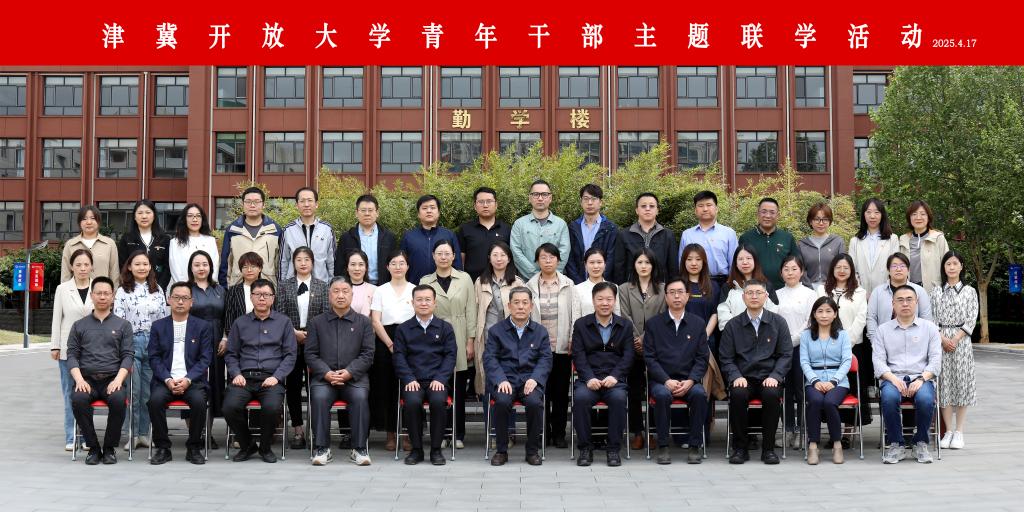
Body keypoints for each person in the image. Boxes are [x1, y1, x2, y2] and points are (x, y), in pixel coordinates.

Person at [223, 279, 298, 463]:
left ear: (273, 298)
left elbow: (290, 355)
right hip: (244, 378)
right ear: (251, 297)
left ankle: (265, 448)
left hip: (271, 379)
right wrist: (236, 373)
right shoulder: (240, 323)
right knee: (229, 407)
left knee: (271, 408)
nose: (262, 298)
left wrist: (277, 377)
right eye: (257, 294)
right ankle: (248, 445)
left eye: (266, 295)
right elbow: (231, 354)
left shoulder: (284, 322)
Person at [719, 279, 792, 465]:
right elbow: (726, 358)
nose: (754, 296)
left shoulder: (778, 323)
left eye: (758, 293)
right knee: (737, 394)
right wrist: (736, 376)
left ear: (766, 296)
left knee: (771, 395)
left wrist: (775, 376)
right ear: (743, 297)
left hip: (769, 377)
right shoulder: (733, 325)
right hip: (743, 377)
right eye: (749, 293)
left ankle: (768, 449)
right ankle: (740, 448)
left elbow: (786, 354)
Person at [305, 276, 376, 466]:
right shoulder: (317, 322)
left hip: (354, 379)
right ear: (329, 295)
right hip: (324, 378)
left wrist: (349, 372)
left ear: (352, 295)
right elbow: (310, 354)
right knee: (319, 397)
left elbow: (368, 354)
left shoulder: (363, 322)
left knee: (360, 398)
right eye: (336, 291)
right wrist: (326, 373)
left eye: (345, 291)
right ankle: (322, 448)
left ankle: (359, 448)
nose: (341, 295)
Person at [68, 277, 134, 465]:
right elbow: (72, 355)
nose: (102, 297)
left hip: (112, 379)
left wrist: (118, 380)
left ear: (113, 297)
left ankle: (110, 448)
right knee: (78, 399)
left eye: (106, 293)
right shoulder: (79, 325)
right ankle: (94, 448)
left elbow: (128, 356)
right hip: (86, 379)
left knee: (118, 400)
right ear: (92, 295)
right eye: (99, 293)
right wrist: (79, 380)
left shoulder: (123, 325)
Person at [643, 277, 710, 465]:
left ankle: (695, 445)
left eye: (680, 292)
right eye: (672, 293)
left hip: (689, 380)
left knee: (699, 394)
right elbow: (650, 358)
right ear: (666, 297)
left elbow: (702, 358)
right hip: (662, 380)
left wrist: (691, 380)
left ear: (687, 296)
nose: (677, 296)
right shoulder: (654, 324)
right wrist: (666, 380)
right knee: (662, 395)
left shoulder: (698, 324)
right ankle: (663, 446)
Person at [484, 287, 553, 466]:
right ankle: (501, 451)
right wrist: (500, 379)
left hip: (530, 380)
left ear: (531, 306)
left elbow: (545, 359)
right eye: (516, 303)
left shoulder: (540, 331)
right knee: (502, 402)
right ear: (509, 306)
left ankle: (532, 451)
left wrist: (535, 378)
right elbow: (490, 358)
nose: (520, 307)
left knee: (534, 403)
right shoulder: (496, 331)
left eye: (524, 303)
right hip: (505, 380)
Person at [146, 282, 214, 465]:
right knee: (154, 402)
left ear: (192, 302)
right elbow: (154, 357)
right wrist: (168, 379)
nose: (180, 302)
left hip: (193, 381)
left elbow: (205, 359)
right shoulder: (158, 326)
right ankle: (163, 448)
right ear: (169, 300)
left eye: (185, 298)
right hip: (165, 380)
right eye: (176, 297)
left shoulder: (202, 326)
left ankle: (194, 447)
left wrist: (188, 379)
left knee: (199, 402)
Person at [873, 285, 942, 464]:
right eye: (900, 300)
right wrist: (893, 379)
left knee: (926, 399)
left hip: (921, 377)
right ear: (893, 304)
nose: (905, 304)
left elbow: (936, 361)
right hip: (892, 377)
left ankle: (920, 443)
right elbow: (878, 362)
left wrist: (922, 379)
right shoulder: (882, 330)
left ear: (916, 302)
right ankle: (896, 444)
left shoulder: (930, 328)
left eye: (909, 299)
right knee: (888, 398)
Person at [419, 240, 477, 449]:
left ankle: (458, 434)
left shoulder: (465, 278)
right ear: (433, 256)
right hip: (434, 335)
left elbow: (471, 310)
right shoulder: (425, 280)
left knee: (459, 388)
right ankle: (441, 433)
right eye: (439, 253)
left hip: (460, 333)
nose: (443, 257)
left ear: (454, 256)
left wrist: (470, 340)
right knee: (439, 386)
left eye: (447, 253)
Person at [393, 285, 458, 465]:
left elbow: (451, 356)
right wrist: (408, 378)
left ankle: (436, 449)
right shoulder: (403, 329)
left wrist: (441, 378)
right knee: (412, 402)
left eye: (428, 300)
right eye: (419, 300)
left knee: (438, 401)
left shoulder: (445, 328)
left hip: (437, 380)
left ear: (435, 303)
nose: (423, 303)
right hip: (413, 380)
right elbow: (399, 357)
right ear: (412, 303)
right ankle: (417, 449)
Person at [571, 282, 634, 467]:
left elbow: (628, 355)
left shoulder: (625, 325)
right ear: (593, 301)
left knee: (619, 399)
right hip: (588, 379)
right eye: (600, 299)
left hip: (615, 380)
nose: (605, 303)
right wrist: (589, 377)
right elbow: (578, 355)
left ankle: (613, 449)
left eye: (609, 299)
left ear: (614, 301)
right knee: (580, 399)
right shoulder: (581, 325)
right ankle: (585, 448)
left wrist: (615, 376)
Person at [525, 243, 581, 450]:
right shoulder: (530, 285)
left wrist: (573, 338)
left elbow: (576, 314)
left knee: (560, 393)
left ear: (558, 260)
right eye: (543, 257)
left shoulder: (568, 284)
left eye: (551, 257)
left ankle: (559, 433)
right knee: (541, 391)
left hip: (562, 347)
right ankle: (543, 432)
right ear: (537, 261)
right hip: (538, 349)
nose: (548, 261)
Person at [274, 247, 329, 450]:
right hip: (290, 342)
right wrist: (294, 333)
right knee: (294, 387)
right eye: (299, 259)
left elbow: (326, 315)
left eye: (307, 259)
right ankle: (298, 429)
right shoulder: (283, 286)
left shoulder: (323, 286)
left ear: (313, 262)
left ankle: (316, 430)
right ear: (293, 263)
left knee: (317, 387)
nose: (303, 263)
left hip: (316, 344)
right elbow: (280, 314)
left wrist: (311, 336)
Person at [114, 250, 169, 451]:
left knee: (148, 393)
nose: (142, 267)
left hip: (153, 343)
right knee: (133, 392)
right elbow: (118, 321)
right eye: (137, 264)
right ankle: (132, 434)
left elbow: (163, 319)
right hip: (132, 343)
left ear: (150, 267)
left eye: (145, 264)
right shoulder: (122, 291)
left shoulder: (157, 289)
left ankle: (145, 434)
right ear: (129, 267)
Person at [618, 248, 667, 451]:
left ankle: (653, 431)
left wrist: (645, 338)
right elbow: (624, 315)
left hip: (656, 346)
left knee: (655, 389)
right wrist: (636, 338)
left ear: (653, 265)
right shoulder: (624, 288)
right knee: (634, 390)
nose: (644, 266)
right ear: (634, 265)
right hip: (631, 345)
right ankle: (637, 432)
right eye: (640, 262)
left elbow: (663, 315)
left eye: (647, 262)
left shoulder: (663, 289)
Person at [930, 251, 978, 450]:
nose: (951, 267)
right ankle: (948, 431)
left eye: (955, 263)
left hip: (962, 342)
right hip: (940, 341)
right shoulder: (936, 291)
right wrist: (943, 339)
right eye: (948, 264)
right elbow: (931, 319)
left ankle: (959, 431)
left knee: (962, 384)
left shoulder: (969, 291)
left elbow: (971, 318)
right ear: (944, 267)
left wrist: (955, 339)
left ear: (961, 266)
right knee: (944, 385)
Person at [369, 251, 416, 451]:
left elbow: (419, 317)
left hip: (411, 341)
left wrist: (404, 346)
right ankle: (390, 433)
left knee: (408, 388)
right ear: (387, 267)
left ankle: (408, 433)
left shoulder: (414, 289)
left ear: (408, 266)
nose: (398, 267)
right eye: (394, 263)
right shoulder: (380, 290)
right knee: (386, 388)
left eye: (402, 263)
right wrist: (390, 345)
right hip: (384, 341)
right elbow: (375, 321)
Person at [816, 253, 869, 429]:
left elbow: (861, 319)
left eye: (846, 267)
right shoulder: (822, 290)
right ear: (832, 269)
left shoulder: (860, 292)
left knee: (851, 387)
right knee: (829, 387)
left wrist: (846, 343)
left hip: (853, 346)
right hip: (826, 346)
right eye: (838, 267)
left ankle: (847, 431)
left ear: (852, 270)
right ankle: (833, 429)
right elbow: (818, 315)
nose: (842, 270)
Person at [799, 296, 853, 465]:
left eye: (828, 311)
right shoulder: (806, 335)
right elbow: (804, 361)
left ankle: (837, 444)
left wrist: (834, 381)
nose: (824, 315)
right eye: (820, 311)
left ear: (835, 314)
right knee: (815, 401)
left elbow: (847, 361)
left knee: (830, 402)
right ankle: (813, 445)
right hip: (813, 380)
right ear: (814, 314)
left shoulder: (843, 335)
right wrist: (815, 381)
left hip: (838, 381)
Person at [51, 248, 94, 451]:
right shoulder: (62, 289)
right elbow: (56, 318)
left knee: (87, 393)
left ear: (91, 266)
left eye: (86, 264)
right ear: (71, 267)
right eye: (78, 265)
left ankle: (86, 436)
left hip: (93, 350)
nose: (82, 268)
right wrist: (55, 345)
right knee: (70, 393)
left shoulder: (98, 287)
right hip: (68, 349)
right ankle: (71, 436)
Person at [774, 255, 818, 450]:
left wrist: (792, 340)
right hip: (780, 350)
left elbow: (810, 321)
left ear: (802, 272)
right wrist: (784, 343)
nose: (790, 272)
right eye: (786, 269)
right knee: (785, 390)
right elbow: (773, 321)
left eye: (794, 269)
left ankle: (802, 430)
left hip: (802, 347)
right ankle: (788, 429)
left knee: (801, 390)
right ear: (781, 272)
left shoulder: (810, 294)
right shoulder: (775, 294)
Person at [473, 241, 526, 402]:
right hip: (487, 335)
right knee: (486, 376)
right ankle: (488, 416)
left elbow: (524, 311)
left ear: (509, 259)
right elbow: (475, 310)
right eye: (495, 255)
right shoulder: (480, 281)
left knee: (510, 377)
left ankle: (508, 418)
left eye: (503, 255)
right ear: (489, 258)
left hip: (511, 338)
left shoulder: (517, 282)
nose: (499, 259)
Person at [186, 250, 228, 438]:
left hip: (217, 341)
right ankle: (194, 433)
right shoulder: (186, 289)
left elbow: (227, 317)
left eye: (205, 264)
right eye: (197, 265)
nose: (201, 268)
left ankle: (207, 433)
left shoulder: (220, 290)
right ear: (191, 268)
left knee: (213, 386)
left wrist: (225, 338)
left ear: (211, 267)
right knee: (193, 385)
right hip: (192, 343)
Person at [219, 186, 283, 287]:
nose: (252, 205)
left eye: (256, 202)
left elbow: (280, 263)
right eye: (248, 202)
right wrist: (225, 288)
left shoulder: (275, 230)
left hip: (268, 287)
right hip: (238, 286)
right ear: (242, 204)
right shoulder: (232, 230)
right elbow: (225, 264)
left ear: (264, 205)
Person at [867, 253, 933, 344]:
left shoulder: (919, 291)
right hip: (884, 342)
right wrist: (876, 342)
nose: (898, 269)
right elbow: (871, 318)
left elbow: (926, 319)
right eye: (894, 266)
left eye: (902, 266)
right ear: (888, 270)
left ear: (908, 269)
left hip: (914, 343)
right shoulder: (878, 292)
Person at [613, 192, 678, 284]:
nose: (647, 209)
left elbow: (673, 267)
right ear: (637, 210)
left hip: (660, 287)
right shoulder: (624, 235)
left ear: (657, 210)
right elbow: (619, 267)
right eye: (643, 206)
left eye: (652, 206)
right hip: (632, 287)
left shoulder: (668, 235)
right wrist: (622, 289)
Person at [511, 179, 571, 280]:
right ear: (530, 198)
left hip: (555, 281)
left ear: (550, 198)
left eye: (544, 194)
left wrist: (550, 275)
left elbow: (564, 252)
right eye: (535, 194)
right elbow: (516, 252)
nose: (540, 198)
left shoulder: (561, 225)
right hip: (526, 282)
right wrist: (535, 276)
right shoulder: (519, 224)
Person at [336, 194, 399, 286]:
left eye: (370, 210)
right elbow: (340, 267)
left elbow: (394, 264)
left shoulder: (389, 237)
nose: (367, 214)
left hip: (382, 286)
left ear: (377, 213)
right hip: (355, 286)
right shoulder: (347, 237)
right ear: (356, 213)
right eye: (363, 210)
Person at [679, 190, 738, 287]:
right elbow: (681, 263)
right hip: (694, 283)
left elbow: (734, 263)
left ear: (716, 209)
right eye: (701, 206)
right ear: (695, 210)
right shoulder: (687, 234)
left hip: (722, 283)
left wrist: (731, 284)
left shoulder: (729, 233)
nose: (705, 209)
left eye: (709, 205)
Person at [738, 198, 799, 290]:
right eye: (764, 212)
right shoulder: (746, 238)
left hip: (782, 290)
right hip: (754, 291)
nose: (767, 215)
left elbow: (796, 264)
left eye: (772, 212)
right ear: (757, 214)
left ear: (778, 215)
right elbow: (739, 265)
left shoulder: (787, 238)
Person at [401, 194, 462, 285]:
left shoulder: (449, 235)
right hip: (416, 287)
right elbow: (402, 264)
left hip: (444, 288)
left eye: (432, 208)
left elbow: (457, 264)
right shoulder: (409, 237)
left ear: (438, 212)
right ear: (418, 214)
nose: (429, 211)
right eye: (424, 208)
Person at [279, 187, 336, 282]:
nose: (306, 204)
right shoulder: (288, 230)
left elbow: (332, 262)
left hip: (321, 284)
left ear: (316, 204)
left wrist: (332, 284)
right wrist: (282, 286)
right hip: (294, 285)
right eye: (302, 201)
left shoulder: (326, 229)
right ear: (297, 205)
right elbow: (283, 261)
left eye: (310, 200)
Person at [717, 244, 779, 330]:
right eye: (740, 259)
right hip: (735, 335)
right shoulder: (728, 287)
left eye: (749, 258)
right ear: (735, 263)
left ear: (755, 261)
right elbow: (723, 315)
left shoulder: (766, 286)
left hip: (763, 335)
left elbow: (774, 313)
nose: (745, 262)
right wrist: (739, 332)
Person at [457, 187, 512, 282]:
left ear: (496, 205)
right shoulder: (465, 229)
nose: (485, 205)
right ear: (475, 206)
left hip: (501, 282)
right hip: (472, 281)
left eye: (489, 201)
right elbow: (461, 259)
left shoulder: (506, 229)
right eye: (481, 202)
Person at [566, 184, 618, 284]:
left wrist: (600, 282)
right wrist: (579, 283)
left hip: (603, 284)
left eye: (594, 199)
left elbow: (611, 259)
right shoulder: (573, 227)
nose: (589, 203)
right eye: (586, 199)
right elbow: (569, 258)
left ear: (600, 202)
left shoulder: (610, 228)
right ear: (581, 202)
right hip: (578, 283)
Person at [848, 198, 900, 297]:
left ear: (882, 215)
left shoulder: (892, 239)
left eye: (876, 212)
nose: (872, 216)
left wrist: (886, 290)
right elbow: (852, 270)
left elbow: (895, 267)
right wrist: (861, 292)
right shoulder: (855, 241)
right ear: (863, 215)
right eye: (868, 212)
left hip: (887, 293)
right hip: (860, 294)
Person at [117, 199, 171, 290]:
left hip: (157, 289)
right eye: (140, 213)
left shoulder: (164, 239)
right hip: (132, 289)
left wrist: (159, 287)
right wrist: (130, 286)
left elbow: (167, 267)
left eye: (148, 212)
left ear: (154, 215)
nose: (144, 216)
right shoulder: (126, 239)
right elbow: (123, 265)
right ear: (134, 216)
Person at [61, 205, 119, 286]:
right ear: (79, 222)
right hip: (77, 292)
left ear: (98, 221)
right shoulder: (70, 245)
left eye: (93, 218)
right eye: (84, 219)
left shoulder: (109, 244)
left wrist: (114, 291)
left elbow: (114, 273)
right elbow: (66, 274)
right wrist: (65, 291)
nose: (89, 222)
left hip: (102, 292)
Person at [900, 200, 950, 292]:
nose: (918, 217)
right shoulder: (903, 240)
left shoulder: (938, 238)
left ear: (928, 217)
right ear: (909, 218)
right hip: (908, 290)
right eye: (914, 214)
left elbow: (948, 265)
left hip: (933, 290)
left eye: (923, 214)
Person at [798, 202, 846, 288]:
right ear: (810, 221)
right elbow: (800, 269)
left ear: (830, 221)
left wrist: (832, 286)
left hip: (832, 288)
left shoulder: (837, 242)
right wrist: (809, 288)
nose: (821, 223)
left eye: (825, 219)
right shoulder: (802, 244)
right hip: (807, 289)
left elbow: (843, 266)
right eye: (817, 219)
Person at [680, 243, 721, 344]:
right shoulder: (678, 285)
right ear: (684, 262)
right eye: (689, 259)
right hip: (682, 339)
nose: (694, 263)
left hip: (706, 340)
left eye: (698, 259)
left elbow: (715, 314)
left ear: (704, 262)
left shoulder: (713, 286)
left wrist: (704, 336)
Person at [169, 203, 220, 284]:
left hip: (207, 288)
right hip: (184, 288)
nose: (195, 219)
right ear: (184, 219)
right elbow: (176, 271)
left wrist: (208, 286)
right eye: (190, 216)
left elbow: (215, 267)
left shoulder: (210, 241)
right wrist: (185, 288)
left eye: (198, 216)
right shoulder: (175, 242)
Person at [223, 252, 265, 345]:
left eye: (253, 266)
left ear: (260, 268)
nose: (249, 270)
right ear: (241, 270)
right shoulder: (233, 291)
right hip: (240, 339)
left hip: (266, 338)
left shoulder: (267, 289)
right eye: (245, 267)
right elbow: (228, 319)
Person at [574, 248, 620, 316]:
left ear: (605, 264)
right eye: (592, 262)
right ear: (585, 265)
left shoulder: (614, 287)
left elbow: (617, 314)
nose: (596, 266)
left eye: (599, 262)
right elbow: (576, 317)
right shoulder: (577, 289)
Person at [343, 249, 377, 317]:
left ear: (366, 268)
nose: (357, 269)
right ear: (347, 268)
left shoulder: (375, 290)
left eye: (361, 264)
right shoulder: (340, 289)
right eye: (353, 264)